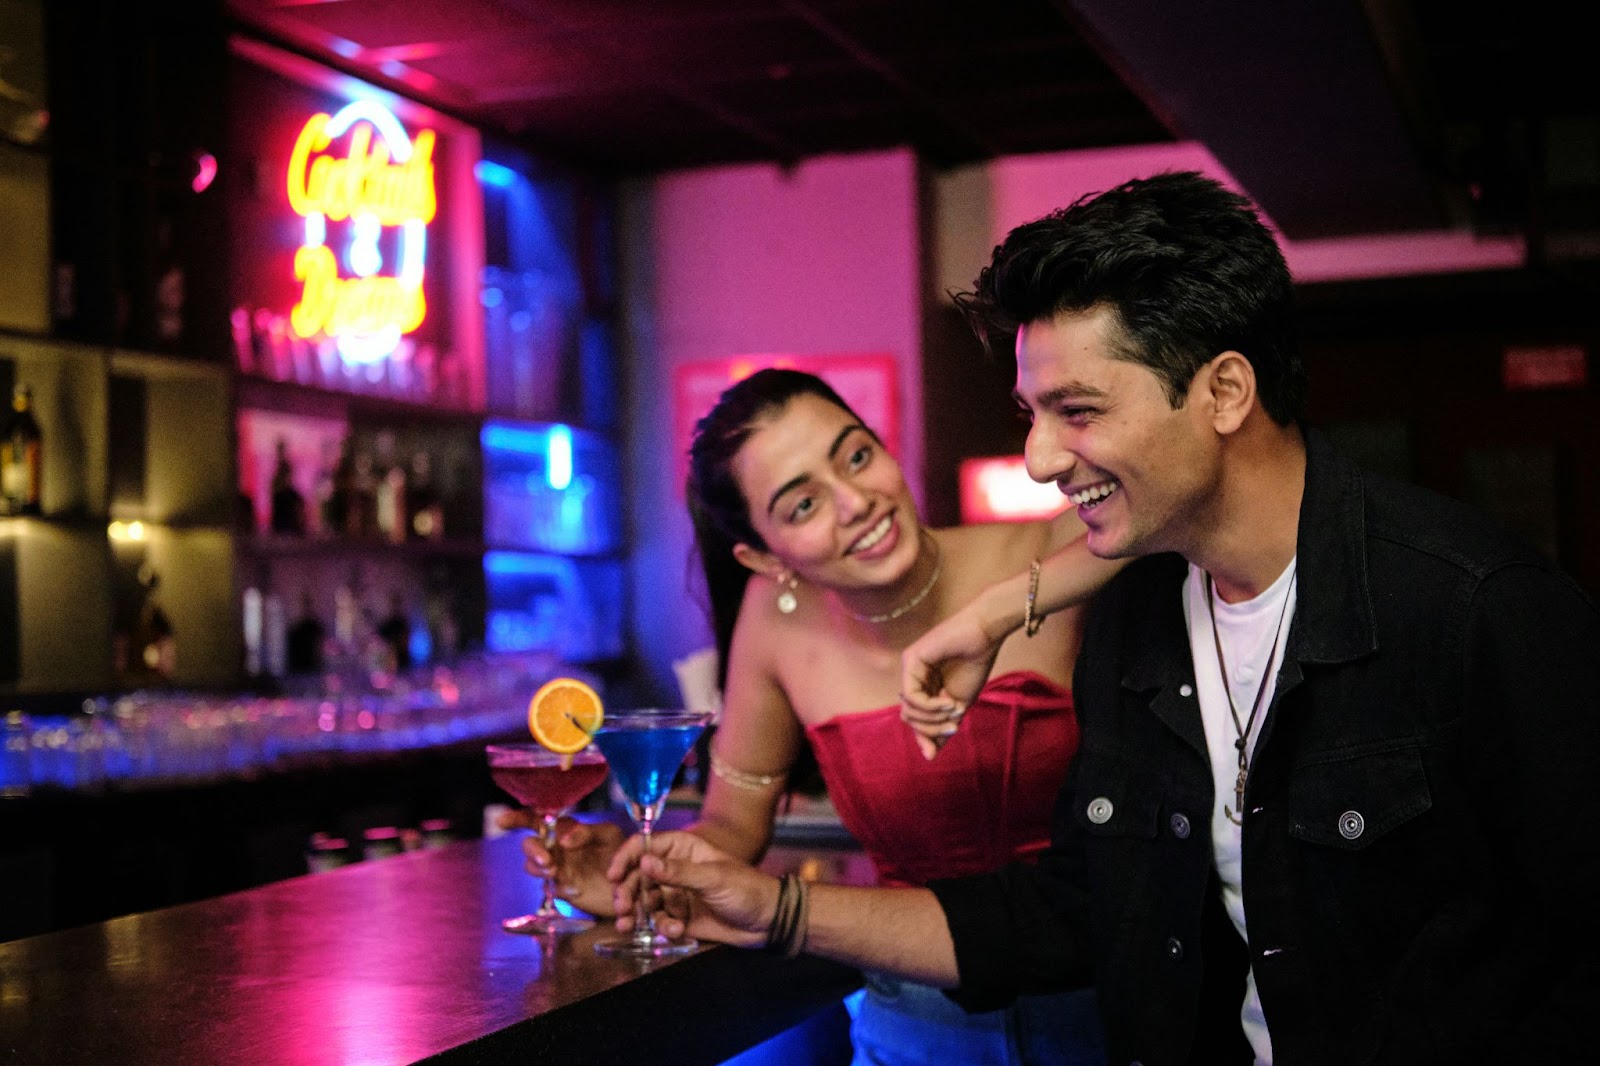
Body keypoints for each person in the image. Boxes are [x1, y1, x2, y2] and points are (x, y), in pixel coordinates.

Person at [619, 172, 1600, 1065]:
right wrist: (775, 909)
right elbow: (1076, 913)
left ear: (1223, 390)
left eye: (1076, 410)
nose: (1041, 458)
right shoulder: (1137, 620)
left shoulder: (1476, 606)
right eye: (1030, 414)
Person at [513, 366, 1121, 1064]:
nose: (855, 501)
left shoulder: (1045, 556)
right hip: (910, 1029)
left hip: (1104, 1011)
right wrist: (638, 870)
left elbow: (1167, 503)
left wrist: (998, 611)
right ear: (762, 557)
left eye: (856, 456)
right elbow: (734, 825)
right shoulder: (778, 622)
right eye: (802, 506)